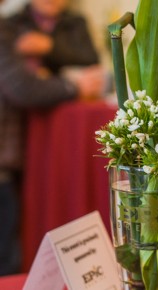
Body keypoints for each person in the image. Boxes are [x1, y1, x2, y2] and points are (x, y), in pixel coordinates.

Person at [0, 0, 104, 274]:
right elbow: (22, 86)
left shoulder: (74, 23)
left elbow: (91, 61)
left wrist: (49, 48)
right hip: (15, 142)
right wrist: (72, 85)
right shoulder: (10, 25)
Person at [8, 0, 99, 77]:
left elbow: (92, 61)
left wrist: (51, 47)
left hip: (69, 91)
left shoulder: (76, 23)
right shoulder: (12, 24)